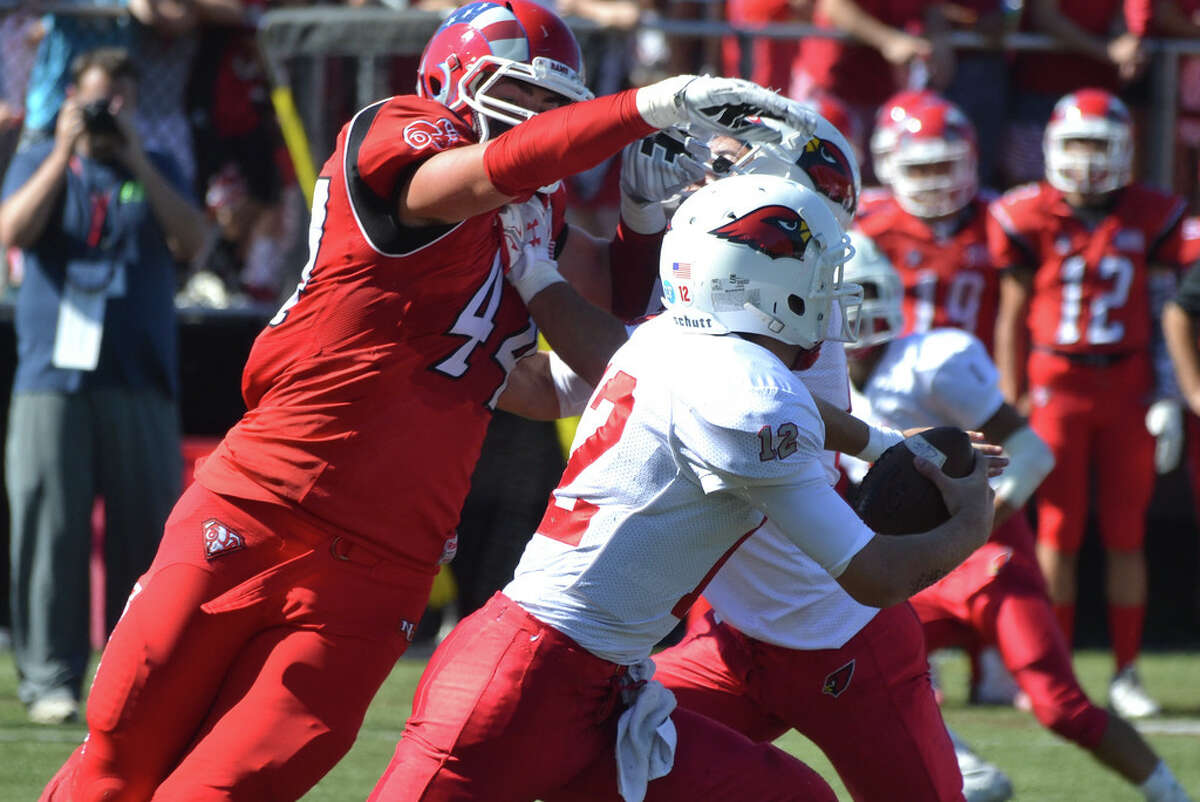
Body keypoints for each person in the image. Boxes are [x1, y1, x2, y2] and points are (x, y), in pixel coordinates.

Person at [37, 1, 818, 798]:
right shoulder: (396, 131)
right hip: (258, 505)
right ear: (450, 80)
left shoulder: (533, 212)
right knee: (119, 753)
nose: (539, 120)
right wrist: (645, 104)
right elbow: (480, 176)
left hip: (387, 564)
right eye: (523, 96)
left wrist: (641, 221)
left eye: (557, 107)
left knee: (236, 784)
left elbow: (608, 300)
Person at [372, 172, 998, 802]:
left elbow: (790, 409)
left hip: (584, 677)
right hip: (528, 680)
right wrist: (973, 521)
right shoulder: (750, 397)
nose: (829, 295)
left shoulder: (669, 340)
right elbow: (875, 576)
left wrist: (881, 444)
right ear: (764, 282)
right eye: (814, 274)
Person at [842, 254, 1193, 802]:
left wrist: (973, 524)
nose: (852, 318)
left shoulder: (934, 360)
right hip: (912, 570)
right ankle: (970, 774)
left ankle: (1172, 793)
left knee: (1060, 706)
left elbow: (1032, 452)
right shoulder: (815, 377)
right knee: (849, 663)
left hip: (986, 560)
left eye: (860, 296)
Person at [0, 46, 205, 726]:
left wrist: (138, 158)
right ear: (70, 100)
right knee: (47, 528)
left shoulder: (160, 166)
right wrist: (63, 152)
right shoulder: (38, 161)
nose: (108, 110)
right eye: (96, 98)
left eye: (120, 98)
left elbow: (193, 243)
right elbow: (12, 231)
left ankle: (132, 674)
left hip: (139, 373)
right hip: (50, 376)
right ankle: (49, 679)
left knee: (144, 535)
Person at [989, 88, 1195, 720]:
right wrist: (1009, 397)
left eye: (1098, 145)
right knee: (1058, 533)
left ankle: (1127, 672)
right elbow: (1012, 315)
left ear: (1126, 152)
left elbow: (1175, 299)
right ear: (1052, 149)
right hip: (1057, 382)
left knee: (1127, 531)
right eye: (1076, 144)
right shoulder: (1026, 215)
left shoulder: (1151, 213)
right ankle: (1053, 670)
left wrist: (1166, 392)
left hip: (1126, 384)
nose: (1086, 159)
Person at [856, 95, 1001, 353]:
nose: (932, 182)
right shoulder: (873, 228)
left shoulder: (1000, 221)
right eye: (919, 170)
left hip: (977, 367)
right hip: (898, 366)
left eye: (943, 167)